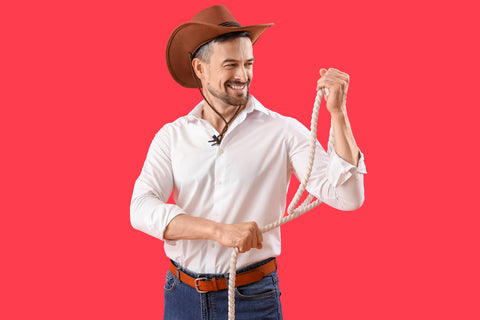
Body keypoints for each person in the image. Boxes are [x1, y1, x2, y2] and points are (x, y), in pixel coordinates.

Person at [130, 5, 366, 320]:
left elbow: (348, 198)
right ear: (200, 69)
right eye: (230, 64)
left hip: (253, 298)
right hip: (180, 297)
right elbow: (141, 208)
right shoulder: (171, 137)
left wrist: (338, 113)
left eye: (248, 63)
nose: (243, 75)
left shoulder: (282, 132)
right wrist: (217, 231)